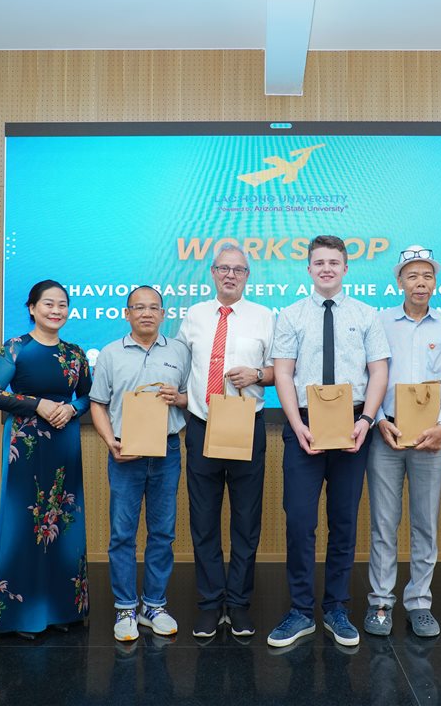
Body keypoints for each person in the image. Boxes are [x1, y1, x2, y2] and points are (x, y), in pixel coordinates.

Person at [267, 234, 390, 648]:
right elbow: (284, 373)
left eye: (333, 262)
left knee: (344, 521)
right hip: (303, 424)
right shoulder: (291, 315)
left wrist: (367, 420)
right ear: (308, 269)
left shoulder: (367, 315)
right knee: (300, 521)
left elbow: (378, 371)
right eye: (319, 262)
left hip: (353, 424)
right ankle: (301, 611)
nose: (326, 269)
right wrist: (296, 424)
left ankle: (337, 608)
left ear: (345, 268)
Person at [0, 279, 92, 638]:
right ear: (32, 308)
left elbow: (88, 397)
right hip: (25, 443)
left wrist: (72, 410)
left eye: (62, 304)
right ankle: (20, 616)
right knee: (24, 524)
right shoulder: (15, 348)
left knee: (63, 522)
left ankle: (62, 610)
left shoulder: (75, 353)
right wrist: (37, 404)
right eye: (48, 304)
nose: (56, 310)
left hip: (64, 442)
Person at [175, 244, 275, 639]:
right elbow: (181, 367)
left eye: (239, 269)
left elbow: (281, 369)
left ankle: (238, 604)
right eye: (224, 268)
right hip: (203, 425)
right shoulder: (194, 316)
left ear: (248, 276)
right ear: (213, 272)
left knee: (246, 522)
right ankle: (209, 604)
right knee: (203, 521)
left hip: (247, 424)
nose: (231, 275)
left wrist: (257, 374)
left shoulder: (265, 316)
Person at [365, 246, 441, 638]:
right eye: (412, 276)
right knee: (383, 524)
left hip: (431, 439)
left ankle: (420, 603)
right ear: (399, 282)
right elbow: (368, 375)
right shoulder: (379, 321)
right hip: (386, 435)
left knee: (425, 524)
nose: (420, 283)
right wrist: (376, 421)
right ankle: (381, 602)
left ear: (434, 282)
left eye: (427, 276)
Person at [89, 286, 192, 642]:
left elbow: (193, 398)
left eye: (153, 308)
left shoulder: (179, 351)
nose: (146, 313)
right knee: (123, 533)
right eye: (138, 307)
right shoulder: (110, 353)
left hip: (167, 451)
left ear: (163, 314)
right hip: (125, 452)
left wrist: (179, 398)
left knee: (162, 532)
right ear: (127, 313)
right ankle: (125, 608)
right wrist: (110, 442)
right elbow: (98, 403)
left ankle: (154, 605)